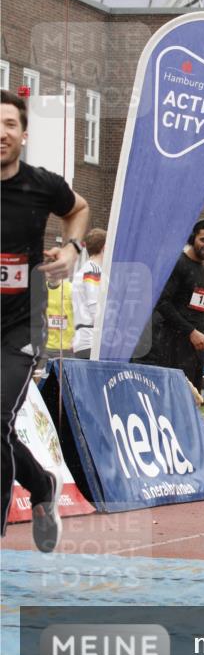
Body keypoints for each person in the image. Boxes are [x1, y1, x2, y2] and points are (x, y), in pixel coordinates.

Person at [1, 89, 89, 551]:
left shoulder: (41, 184)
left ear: (24, 134)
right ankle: (42, 486)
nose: (1, 133)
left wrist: (74, 247)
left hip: (20, 327)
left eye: (10, 125)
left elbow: (79, 209)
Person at [135, 218, 204, 390]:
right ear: (192, 238)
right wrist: (190, 331)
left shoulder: (203, 270)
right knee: (175, 401)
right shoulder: (177, 264)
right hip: (173, 347)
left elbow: (197, 312)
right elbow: (162, 303)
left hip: (196, 350)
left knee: (193, 401)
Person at [72, 227, 106, 359]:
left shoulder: (82, 270)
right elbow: (95, 308)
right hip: (92, 342)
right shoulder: (93, 271)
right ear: (105, 247)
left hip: (83, 340)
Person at [44, 279, 75, 358]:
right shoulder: (40, 289)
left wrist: (77, 338)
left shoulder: (71, 288)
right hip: (45, 347)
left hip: (66, 348)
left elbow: (81, 315)